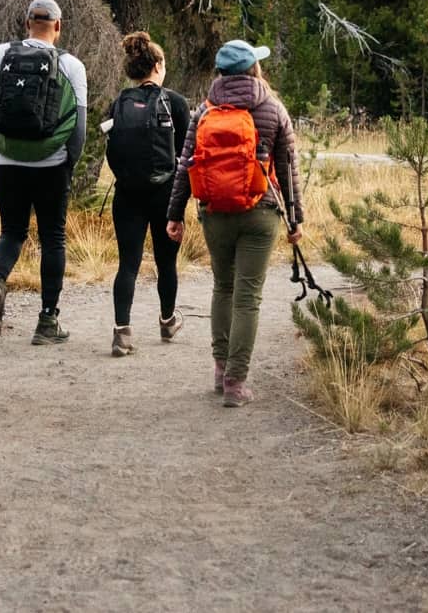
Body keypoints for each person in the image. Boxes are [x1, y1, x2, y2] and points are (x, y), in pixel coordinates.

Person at [165, 39, 300, 407]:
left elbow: (185, 164)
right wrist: (295, 218)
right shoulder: (272, 109)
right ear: (253, 69)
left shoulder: (204, 112)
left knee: (223, 288)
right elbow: (288, 168)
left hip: (215, 213)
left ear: (221, 72)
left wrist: (174, 215)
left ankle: (220, 369)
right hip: (261, 213)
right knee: (248, 297)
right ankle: (236, 384)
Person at [0, 0, 87, 345]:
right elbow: (78, 126)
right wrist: (69, 162)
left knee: (11, 232)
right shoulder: (71, 65)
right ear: (58, 26)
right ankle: (47, 322)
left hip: (8, 162)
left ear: (26, 24)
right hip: (51, 165)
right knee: (53, 238)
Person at [103, 32, 189, 356]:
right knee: (166, 263)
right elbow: (186, 157)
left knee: (128, 264)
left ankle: (121, 332)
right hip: (165, 193)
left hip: (126, 194)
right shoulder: (176, 103)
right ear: (156, 65)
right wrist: (180, 207)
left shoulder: (120, 102)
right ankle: (167, 321)